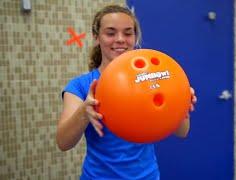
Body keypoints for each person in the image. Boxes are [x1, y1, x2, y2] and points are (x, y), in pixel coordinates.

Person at [56, 4, 197, 180]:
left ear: (135, 37)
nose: (120, 39)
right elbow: (63, 142)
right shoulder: (81, 86)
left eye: (128, 33)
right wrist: (84, 111)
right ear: (96, 37)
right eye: (110, 33)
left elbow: (182, 132)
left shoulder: (153, 79)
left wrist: (181, 104)